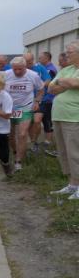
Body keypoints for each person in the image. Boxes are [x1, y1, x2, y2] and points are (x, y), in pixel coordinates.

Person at [47, 41, 79, 199]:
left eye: (70, 52)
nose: (66, 55)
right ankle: (73, 184)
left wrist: (62, 82)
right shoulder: (67, 70)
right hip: (59, 115)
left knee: (75, 152)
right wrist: (66, 83)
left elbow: (75, 83)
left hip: (74, 116)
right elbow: (50, 88)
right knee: (64, 152)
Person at [4, 57, 45, 171]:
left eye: (20, 69)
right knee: (10, 135)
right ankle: (16, 152)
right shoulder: (6, 74)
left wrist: (37, 101)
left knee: (22, 134)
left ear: (25, 67)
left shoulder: (33, 75)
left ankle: (18, 161)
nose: (17, 72)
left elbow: (41, 89)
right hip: (9, 108)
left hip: (25, 107)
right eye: (15, 69)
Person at [24, 51, 52, 152]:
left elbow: (48, 80)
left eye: (30, 61)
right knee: (30, 123)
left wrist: (41, 85)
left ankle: (35, 141)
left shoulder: (40, 68)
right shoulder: (21, 69)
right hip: (26, 100)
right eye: (26, 61)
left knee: (37, 120)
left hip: (40, 99)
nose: (28, 63)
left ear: (33, 59)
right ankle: (33, 142)